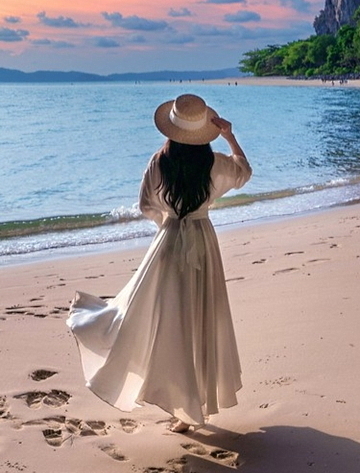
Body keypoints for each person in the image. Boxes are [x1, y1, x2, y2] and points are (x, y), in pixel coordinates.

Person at [66, 93, 252, 433]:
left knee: (164, 322)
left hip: (168, 244)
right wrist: (229, 135)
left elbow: (144, 205)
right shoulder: (215, 164)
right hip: (203, 243)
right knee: (200, 320)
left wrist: (168, 223)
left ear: (173, 129)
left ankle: (182, 406)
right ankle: (194, 405)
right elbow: (244, 172)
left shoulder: (159, 161)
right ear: (203, 130)